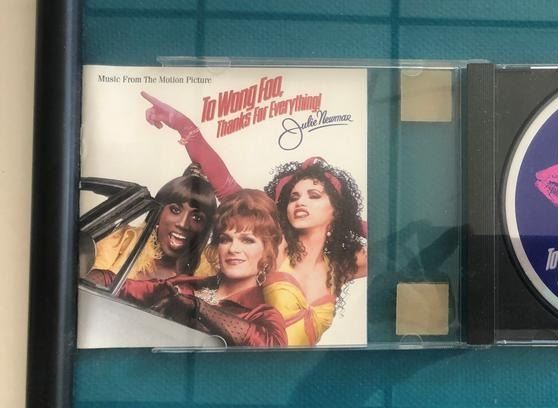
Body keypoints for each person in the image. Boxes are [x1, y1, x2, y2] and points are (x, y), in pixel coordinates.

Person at [142, 92, 367, 346]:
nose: (300, 202)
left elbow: (392, 240)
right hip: (244, 357)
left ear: (336, 209)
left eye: (313, 196)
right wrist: (185, 126)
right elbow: (226, 186)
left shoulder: (342, 265)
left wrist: (350, 220)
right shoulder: (275, 245)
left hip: (300, 366)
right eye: (293, 197)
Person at [90, 190, 288, 348]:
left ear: (267, 251)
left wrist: (198, 308)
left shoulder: (263, 315)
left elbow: (270, 348)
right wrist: (79, 275)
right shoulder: (184, 284)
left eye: (247, 240)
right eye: (225, 239)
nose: (233, 249)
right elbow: (118, 285)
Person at [92, 165, 217, 280]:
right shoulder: (121, 242)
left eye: (196, 218)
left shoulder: (206, 274)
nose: (183, 224)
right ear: (159, 213)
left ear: (205, 228)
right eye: (175, 210)